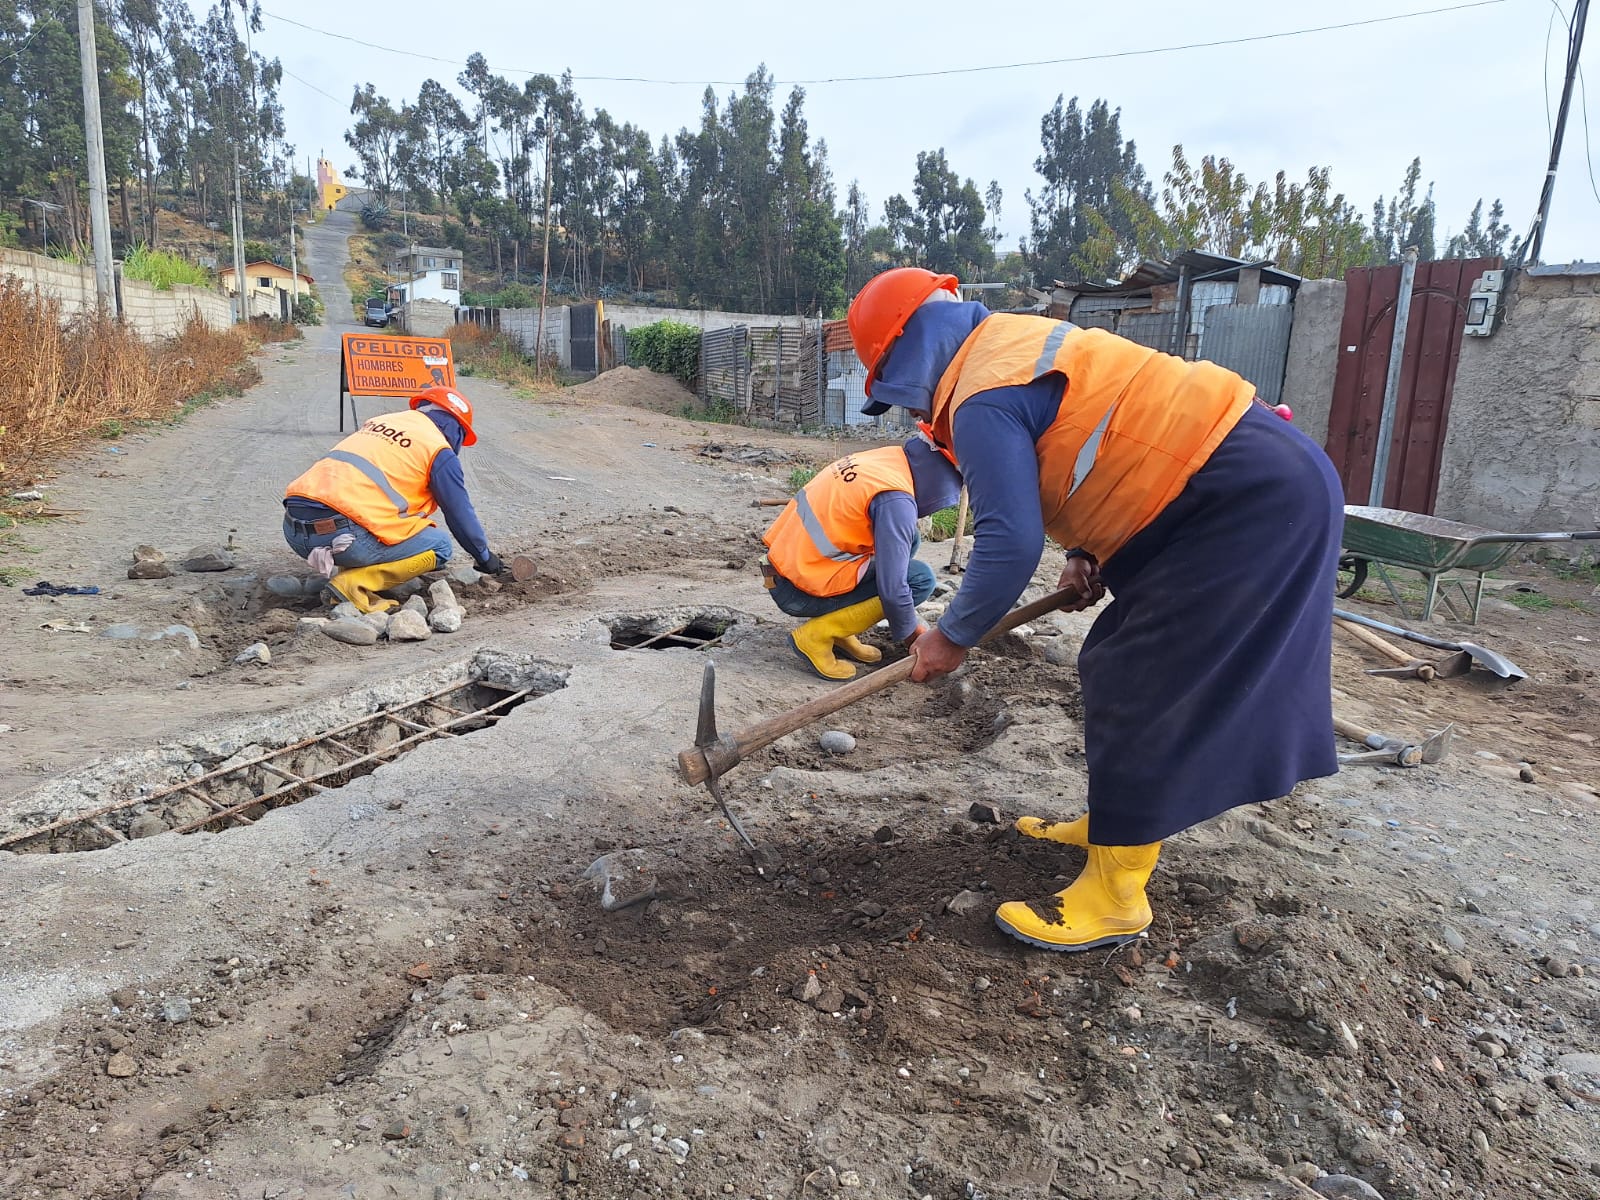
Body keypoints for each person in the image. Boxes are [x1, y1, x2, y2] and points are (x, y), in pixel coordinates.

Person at [848, 267, 1342, 952]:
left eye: (897, 390)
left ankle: (1116, 894)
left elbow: (1009, 544)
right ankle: (1118, 821)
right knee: (1125, 665)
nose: (911, 411)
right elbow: (1102, 425)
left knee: (1137, 674)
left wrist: (951, 637)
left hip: (1244, 497)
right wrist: (1085, 548)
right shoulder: (1011, 344)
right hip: (1241, 477)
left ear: (906, 352)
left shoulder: (981, 395)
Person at [282, 385, 507, 613]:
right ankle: (353, 586)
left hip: (295, 532)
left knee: (373, 513)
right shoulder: (437, 449)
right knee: (440, 546)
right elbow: (459, 514)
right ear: (457, 429)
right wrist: (485, 558)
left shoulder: (382, 422)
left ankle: (350, 570)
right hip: (343, 537)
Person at [761, 434, 962, 680]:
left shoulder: (889, 460)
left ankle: (841, 629)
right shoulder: (895, 501)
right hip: (796, 590)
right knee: (919, 579)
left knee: (910, 540)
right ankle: (817, 636)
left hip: (784, 566)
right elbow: (894, 590)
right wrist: (915, 636)